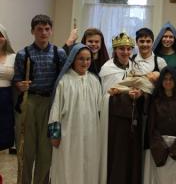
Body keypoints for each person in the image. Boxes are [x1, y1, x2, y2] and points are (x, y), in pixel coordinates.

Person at [13, 14, 66, 184]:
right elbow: (17, 80)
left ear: (51, 31)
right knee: (26, 149)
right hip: (29, 102)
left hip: (51, 105)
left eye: (47, 29)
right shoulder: (23, 54)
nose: (43, 32)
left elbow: (64, 79)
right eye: (39, 29)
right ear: (32, 31)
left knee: (47, 151)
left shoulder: (59, 53)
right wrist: (20, 85)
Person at [48, 44, 101, 184]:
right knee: (67, 166)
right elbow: (55, 110)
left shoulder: (95, 81)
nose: (85, 63)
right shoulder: (64, 81)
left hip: (91, 134)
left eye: (88, 59)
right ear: (73, 60)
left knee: (88, 165)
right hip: (68, 135)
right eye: (81, 59)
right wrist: (54, 135)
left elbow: (100, 110)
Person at [99, 32, 144, 184]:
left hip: (133, 118)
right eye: (121, 49)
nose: (125, 52)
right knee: (117, 155)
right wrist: (123, 93)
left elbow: (144, 87)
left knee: (131, 156)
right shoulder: (108, 68)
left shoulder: (136, 66)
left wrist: (139, 93)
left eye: (128, 49)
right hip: (115, 119)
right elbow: (105, 94)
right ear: (115, 50)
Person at [145, 66, 176, 184]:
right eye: (165, 79)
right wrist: (160, 146)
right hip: (159, 146)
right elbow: (151, 126)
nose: (168, 82)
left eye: (171, 79)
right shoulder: (155, 101)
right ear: (161, 81)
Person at [0, 24, 16, 151]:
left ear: (5, 38)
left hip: (6, 100)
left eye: (1, 36)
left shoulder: (14, 57)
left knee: (3, 137)